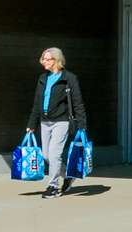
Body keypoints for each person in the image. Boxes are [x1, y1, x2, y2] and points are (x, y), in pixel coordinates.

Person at [26, 47, 88, 199]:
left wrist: (82, 125)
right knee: (47, 155)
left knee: (55, 154)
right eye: (43, 59)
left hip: (61, 121)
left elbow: (78, 103)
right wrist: (31, 123)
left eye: (47, 59)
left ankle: (53, 186)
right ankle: (68, 175)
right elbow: (37, 103)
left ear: (57, 60)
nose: (44, 62)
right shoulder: (43, 78)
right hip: (44, 122)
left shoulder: (69, 78)